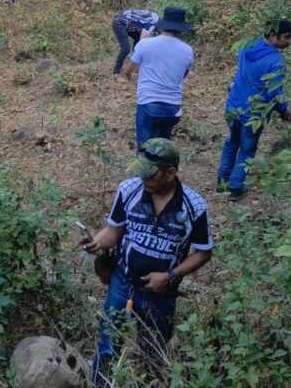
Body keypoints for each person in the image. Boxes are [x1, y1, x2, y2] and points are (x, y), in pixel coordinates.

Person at [82, 139, 213, 385]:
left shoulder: (194, 207)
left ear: (170, 173)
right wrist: (97, 243)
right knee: (108, 342)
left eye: (150, 174)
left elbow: (203, 252)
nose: (143, 178)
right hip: (123, 282)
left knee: (154, 351)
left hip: (161, 293)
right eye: (141, 171)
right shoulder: (128, 190)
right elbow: (114, 230)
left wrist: (170, 276)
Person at [219, 18, 291, 202]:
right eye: (286, 37)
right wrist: (284, 110)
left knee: (232, 142)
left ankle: (222, 180)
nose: (289, 42)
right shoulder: (276, 61)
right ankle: (235, 187)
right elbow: (274, 93)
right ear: (273, 35)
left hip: (234, 106)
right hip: (254, 113)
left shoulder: (247, 45)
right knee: (247, 149)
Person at [122, 8, 194, 148]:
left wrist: (133, 79)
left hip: (149, 103)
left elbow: (127, 70)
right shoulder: (188, 50)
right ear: (181, 30)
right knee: (163, 149)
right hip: (173, 108)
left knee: (145, 149)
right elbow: (183, 75)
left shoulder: (145, 44)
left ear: (161, 27)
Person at [111, 9, 159, 75]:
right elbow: (143, 41)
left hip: (128, 23)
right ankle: (116, 72)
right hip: (120, 23)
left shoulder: (155, 17)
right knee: (126, 48)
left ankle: (132, 65)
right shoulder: (153, 23)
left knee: (138, 42)